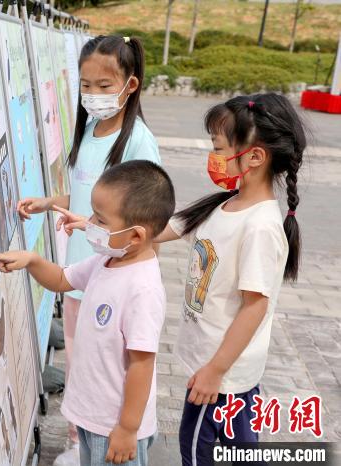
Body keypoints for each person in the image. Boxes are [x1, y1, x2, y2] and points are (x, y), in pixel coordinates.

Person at [16, 35, 161, 463]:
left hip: (111, 276)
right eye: (86, 85)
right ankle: (82, 444)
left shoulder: (138, 143)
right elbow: (86, 197)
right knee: (82, 362)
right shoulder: (91, 129)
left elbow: (149, 217)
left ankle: (113, 437)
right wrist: (50, 202)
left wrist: (100, 234)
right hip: (83, 273)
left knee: (110, 366)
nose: (93, 95)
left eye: (103, 85)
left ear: (130, 85)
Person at [0, 160, 175, 466]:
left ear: (136, 236)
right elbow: (63, 279)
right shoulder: (107, 261)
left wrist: (128, 429)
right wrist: (32, 261)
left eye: (100, 220)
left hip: (115, 427)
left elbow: (142, 364)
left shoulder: (143, 289)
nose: (89, 223)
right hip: (92, 416)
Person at [154, 94, 305, 465]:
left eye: (219, 147)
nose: (214, 156)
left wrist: (214, 371)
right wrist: (106, 227)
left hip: (218, 374)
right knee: (238, 447)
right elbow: (164, 228)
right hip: (223, 370)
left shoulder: (260, 227)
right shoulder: (225, 204)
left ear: (255, 157)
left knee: (196, 450)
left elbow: (255, 308)